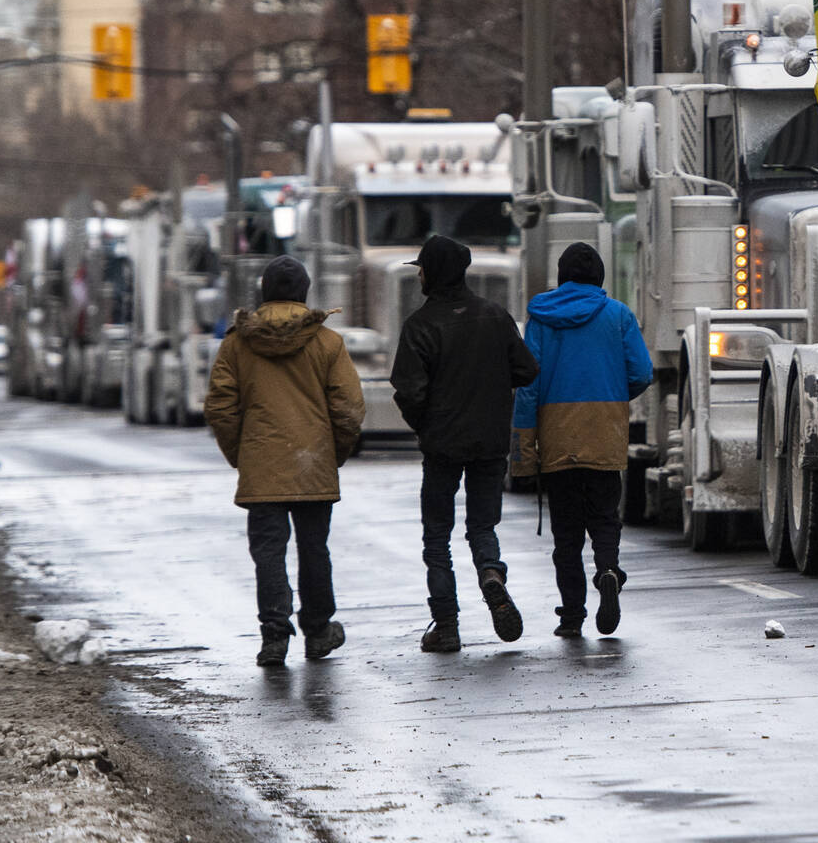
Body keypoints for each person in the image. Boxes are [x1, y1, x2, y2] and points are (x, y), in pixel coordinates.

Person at [204, 256, 364, 667]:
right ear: (304, 293)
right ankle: (318, 630)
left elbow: (221, 406)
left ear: (264, 292)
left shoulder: (238, 343)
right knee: (315, 549)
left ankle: (274, 636)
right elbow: (348, 408)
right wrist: (335, 453)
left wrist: (242, 454)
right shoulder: (328, 343)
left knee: (268, 553)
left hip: (262, 465)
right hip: (313, 462)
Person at [390, 235, 539, 654]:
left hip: (441, 446)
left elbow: (408, 389)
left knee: (437, 537)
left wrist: (427, 427)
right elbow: (526, 370)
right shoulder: (494, 316)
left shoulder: (420, 326)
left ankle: (447, 625)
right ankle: (491, 574)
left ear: (432, 272)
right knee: (482, 527)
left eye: (421, 267)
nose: (418, 274)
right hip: (491, 441)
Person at [512, 243, 652, 638]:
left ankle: (572, 615)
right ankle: (608, 570)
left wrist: (522, 452)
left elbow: (527, 388)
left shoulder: (540, 319)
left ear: (561, 275)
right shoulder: (619, 315)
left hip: (558, 439)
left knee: (566, 534)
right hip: (604, 434)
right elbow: (642, 372)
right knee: (605, 519)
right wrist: (612, 396)